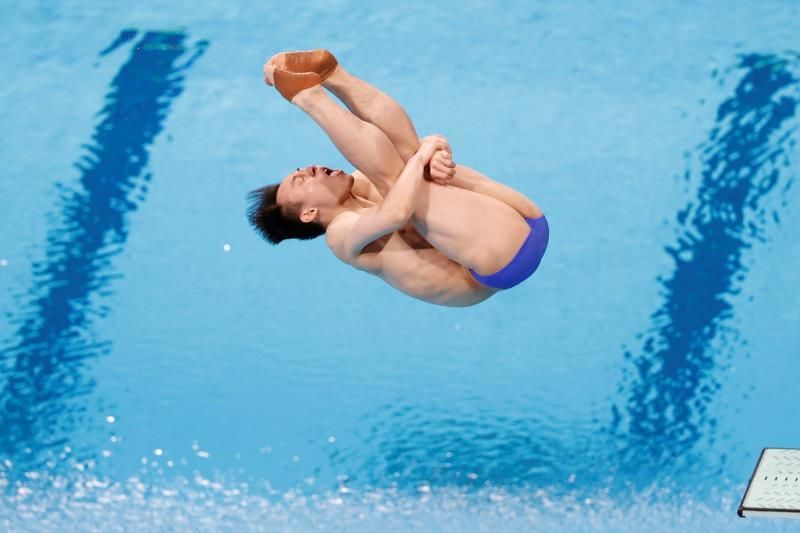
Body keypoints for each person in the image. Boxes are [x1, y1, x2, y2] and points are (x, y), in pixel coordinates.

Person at [247, 49, 548, 307]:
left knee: (406, 158)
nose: (309, 168)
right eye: (301, 180)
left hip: (519, 220)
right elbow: (396, 212)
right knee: (398, 178)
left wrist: (434, 154)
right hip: (503, 260)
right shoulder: (341, 235)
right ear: (309, 213)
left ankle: (333, 74)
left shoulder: (363, 180)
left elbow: (416, 155)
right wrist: (424, 153)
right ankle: (308, 97)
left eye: (301, 169)